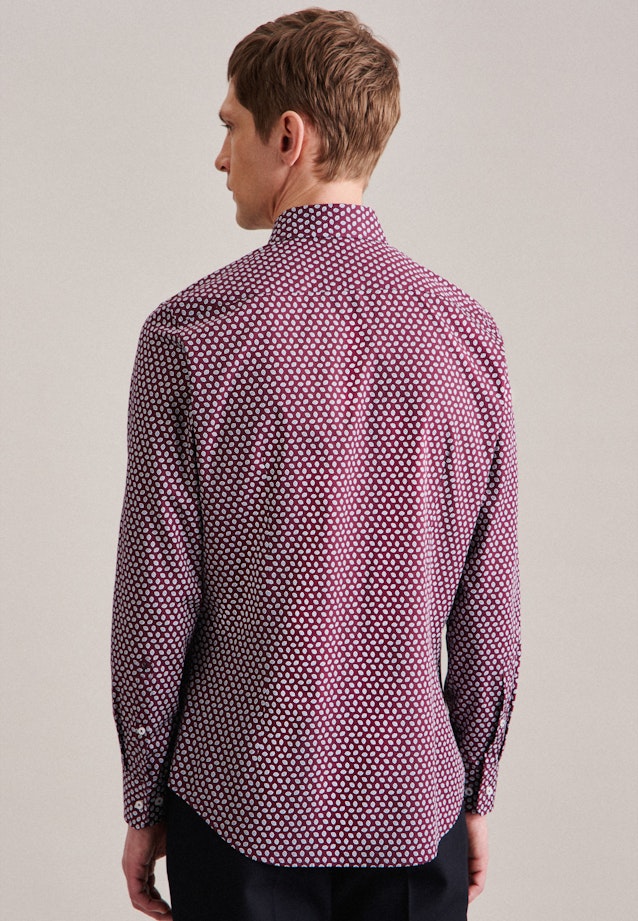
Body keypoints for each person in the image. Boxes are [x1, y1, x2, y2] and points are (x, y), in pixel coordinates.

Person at [111, 8, 521, 920]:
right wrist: (475, 788)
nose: (221, 157)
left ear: (288, 137)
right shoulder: (469, 337)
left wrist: (143, 800)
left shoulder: (188, 336)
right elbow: (488, 604)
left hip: (239, 803)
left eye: (231, 126)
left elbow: (156, 601)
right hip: (416, 809)